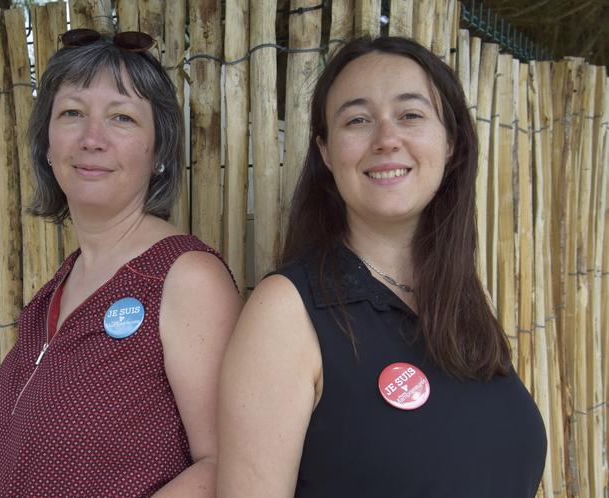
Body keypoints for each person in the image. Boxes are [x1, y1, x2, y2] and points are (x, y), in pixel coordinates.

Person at [217, 36, 546, 497]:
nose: (387, 139)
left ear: (450, 140)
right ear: (327, 152)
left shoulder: (461, 297)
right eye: (357, 120)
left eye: (410, 115)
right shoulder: (287, 313)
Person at [0, 29, 242, 497]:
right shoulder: (57, 288)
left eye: (122, 118)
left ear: (160, 153)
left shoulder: (183, 277)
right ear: (47, 145)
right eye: (72, 113)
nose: (92, 138)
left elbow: (226, 462)